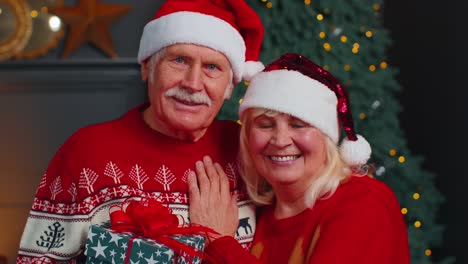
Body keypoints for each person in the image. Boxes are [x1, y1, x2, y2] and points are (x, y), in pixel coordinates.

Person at [16, 0, 265, 262]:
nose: (193, 84)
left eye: (212, 67)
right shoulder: (87, 153)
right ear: (147, 66)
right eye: (179, 60)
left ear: (229, 85)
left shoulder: (250, 151)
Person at [188, 53, 411, 263]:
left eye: (298, 125)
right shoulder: (262, 213)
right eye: (265, 125)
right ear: (247, 137)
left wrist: (219, 242)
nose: (280, 140)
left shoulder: (363, 203)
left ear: (326, 137)